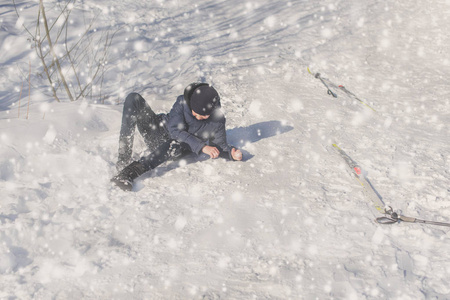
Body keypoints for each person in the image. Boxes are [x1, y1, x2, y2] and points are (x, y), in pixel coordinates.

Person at [111, 82, 243, 191]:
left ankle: (129, 173)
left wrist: (231, 153)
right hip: (158, 132)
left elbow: (219, 146)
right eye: (194, 112)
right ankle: (123, 158)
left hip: (178, 148)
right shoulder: (182, 101)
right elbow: (174, 129)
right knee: (133, 98)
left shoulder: (217, 121)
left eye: (202, 116)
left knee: (174, 143)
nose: (197, 116)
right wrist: (202, 147)